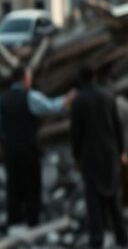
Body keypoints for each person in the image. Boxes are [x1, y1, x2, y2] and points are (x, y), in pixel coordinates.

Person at [0, 66, 70, 229]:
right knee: (32, 186)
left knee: (13, 187)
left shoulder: (2, 100)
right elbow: (50, 107)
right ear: (24, 79)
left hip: (10, 151)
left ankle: (15, 223)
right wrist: (66, 99)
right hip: (28, 149)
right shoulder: (30, 96)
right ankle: (33, 222)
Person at [70, 65, 128, 248]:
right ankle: (122, 237)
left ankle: (97, 239)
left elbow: (75, 134)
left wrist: (76, 157)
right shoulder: (108, 96)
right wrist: (121, 151)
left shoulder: (78, 102)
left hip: (90, 157)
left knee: (94, 199)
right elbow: (117, 126)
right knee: (113, 196)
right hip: (109, 153)